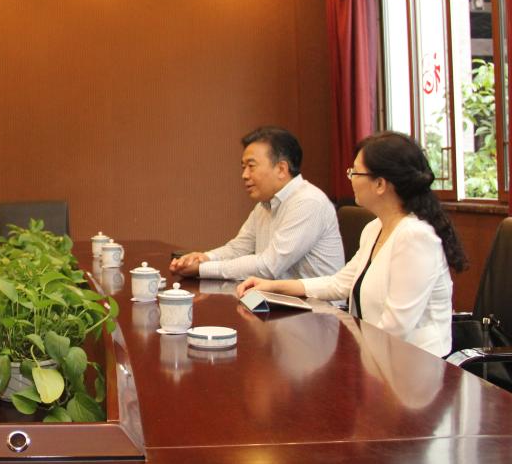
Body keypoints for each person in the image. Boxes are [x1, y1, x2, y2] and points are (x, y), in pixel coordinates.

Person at [236, 131, 467, 357]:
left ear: (380, 184)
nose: (350, 178)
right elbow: (340, 284)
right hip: (378, 357)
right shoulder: (375, 228)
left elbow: (395, 329)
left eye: (355, 172)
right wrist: (273, 287)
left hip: (417, 368)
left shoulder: (415, 237)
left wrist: (348, 354)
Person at [169, 126, 344, 280]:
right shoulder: (264, 205)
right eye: (243, 167)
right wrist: (204, 258)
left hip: (316, 305)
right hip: (280, 299)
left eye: (251, 166)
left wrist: (202, 269)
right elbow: (238, 248)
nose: (244, 175)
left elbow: (269, 266)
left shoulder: (308, 202)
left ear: (281, 169)